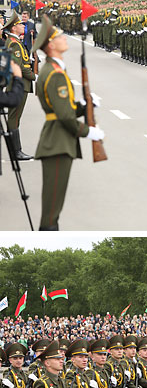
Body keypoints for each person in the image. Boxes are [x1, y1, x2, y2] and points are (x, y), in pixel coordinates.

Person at [34, 15, 90, 231]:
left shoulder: (55, 69)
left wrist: (85, 107)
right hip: (57, 143)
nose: (64, 37)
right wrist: (87, 131)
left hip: (58, 141)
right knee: (51, 213)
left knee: (54, 208)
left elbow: (66, 108)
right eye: (59, 36)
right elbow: (65, 115)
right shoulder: (54, 73)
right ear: (50, 44)